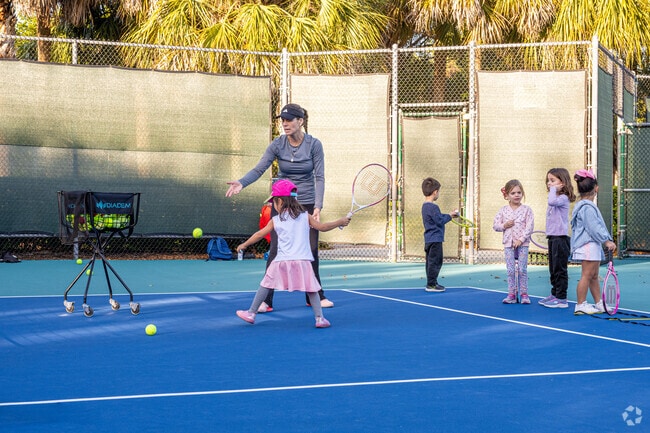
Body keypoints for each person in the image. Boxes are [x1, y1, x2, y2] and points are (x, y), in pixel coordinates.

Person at [225, 103, 332, 313]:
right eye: (282, 120)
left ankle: (316, 297)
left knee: (310, 250)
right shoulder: (277, 144)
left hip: (307, 202)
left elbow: (319, 177)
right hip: (281, 203)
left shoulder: (314, 145)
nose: (285, 123)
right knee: (275, 250)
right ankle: (267, 301)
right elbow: (260, 168)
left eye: (289, 119)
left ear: (300, 121)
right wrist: (241, 182)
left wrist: (318, 205)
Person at [235, 179, 351, 328]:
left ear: (280, 201)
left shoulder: (275, 220)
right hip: (303, 261)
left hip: (281, 261)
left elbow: (259, 234)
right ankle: (320, 319)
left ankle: (251, 313)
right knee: (312, 289)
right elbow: (322, 227)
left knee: (265, 284)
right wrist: (339, 221)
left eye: (274, 202)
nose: (274, 206)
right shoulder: (305, 216)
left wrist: (243, 245)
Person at [570, 169, 616, 315]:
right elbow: (594, 228)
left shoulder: (585, 206)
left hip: (592, 245)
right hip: (588, 245)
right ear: (596, 188)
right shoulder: (587, 208)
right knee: (587, 275)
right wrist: (606, 241)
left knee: (594, 276)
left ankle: (598, 304)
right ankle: (580, 304)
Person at [539, 168, 576, 309]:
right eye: (548, 180)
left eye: (553, 180)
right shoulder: (555, 197)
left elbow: (552, 202)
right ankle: (554, 294)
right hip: (553, 238)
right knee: (553, 269)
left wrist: (554, 190)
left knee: (560, 269)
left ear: (563, 182)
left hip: (561, 238)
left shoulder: (563, 198)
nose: (549, 183)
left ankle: (562, 298)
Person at [493, 179, 534, 304]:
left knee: (522, 269)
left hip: (523, 244)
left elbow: (530, 226)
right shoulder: (503, 210)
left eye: (519, 192)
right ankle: (512, 294)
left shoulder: (527, 210)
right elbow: (495, 226)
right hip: (508, 244)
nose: (516, 195)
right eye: (513, 193)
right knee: (510, 270)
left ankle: (524, 294)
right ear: (507, 196)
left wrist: (521, 240)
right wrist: (504, 225)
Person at [421, 178, 458, 292]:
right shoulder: (433, 207)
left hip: (429, 239)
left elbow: (437, 217)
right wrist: (450, 216)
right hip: (435, 239)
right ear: (435, 192)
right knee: (435, 262)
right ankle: (431, 284)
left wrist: (448, 215)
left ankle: (432, 282)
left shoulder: (425, 206)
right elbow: (439, 220)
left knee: (431, 262)